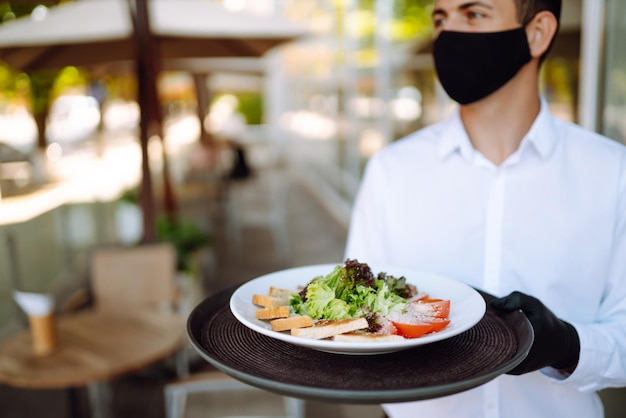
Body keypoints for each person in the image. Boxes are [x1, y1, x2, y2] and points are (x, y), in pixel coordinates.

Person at [344, 0, 626, 417]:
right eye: (441, 18)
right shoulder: (392, 171)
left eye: (474, 14)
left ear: (537, 33)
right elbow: (352, 322)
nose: (448, 33)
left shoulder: (613, 174)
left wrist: (568, 345)